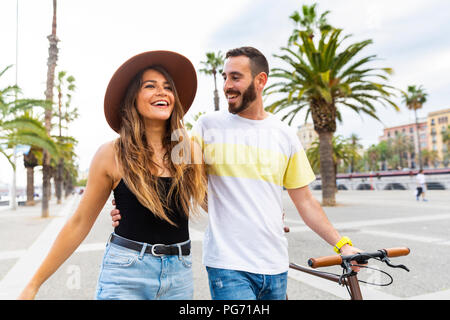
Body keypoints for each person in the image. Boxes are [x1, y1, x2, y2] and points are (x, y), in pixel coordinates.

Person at [111, 46, 362, 300]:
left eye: (236, 77)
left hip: (275, 264)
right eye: (224, 77)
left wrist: (343, 245)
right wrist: (127, 205)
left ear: (260, 80)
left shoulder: (284, 134)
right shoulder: (207, 127)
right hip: (228, 267)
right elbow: (170, 175)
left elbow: (306, 201)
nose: (227, 85)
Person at [18, 50, 207, 300]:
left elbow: (212, 203)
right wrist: (34, 284)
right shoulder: (111, 154)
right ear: (133, 99)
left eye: (168, 87)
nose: (162, 92)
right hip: (126, 273)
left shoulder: (189, 150)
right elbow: (80, 223)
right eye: (150, 86)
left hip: (180, 276)